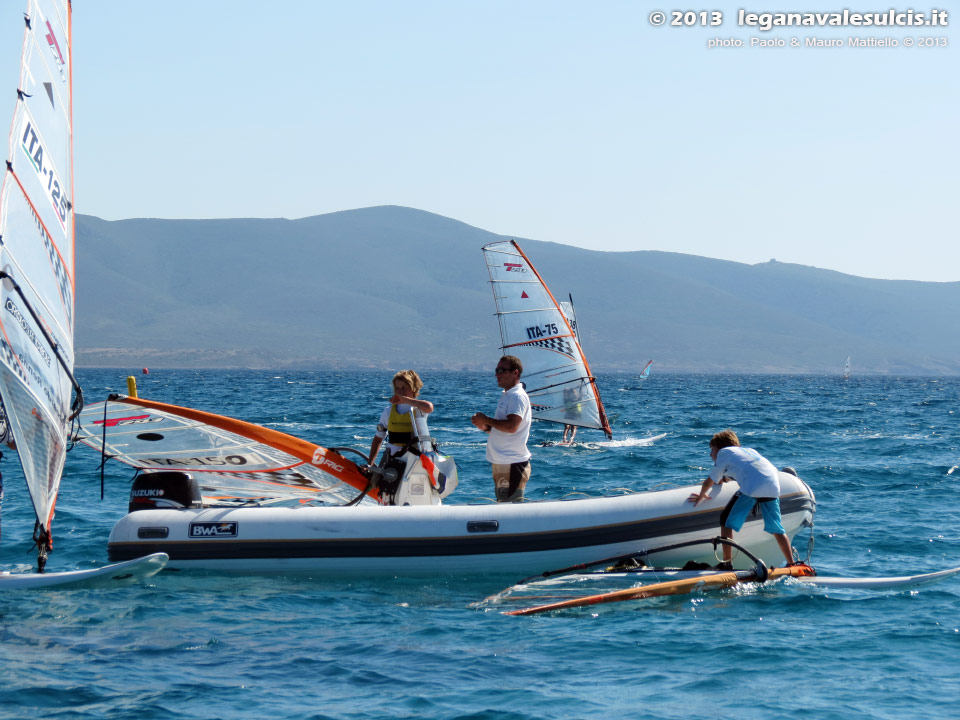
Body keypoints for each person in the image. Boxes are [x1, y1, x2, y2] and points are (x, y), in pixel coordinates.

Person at [687, 429, 795, 568]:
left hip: (753, 487)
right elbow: (742, 471)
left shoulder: (723, 453)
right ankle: (791, 563)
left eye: (712, 450)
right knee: (777, 528)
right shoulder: (748, 451)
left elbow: (709, 481)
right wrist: (723, 480)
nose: (711, 455)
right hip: (773, 486)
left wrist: (700, 497)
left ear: (720, 448)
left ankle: (727, 563)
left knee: (726, 521)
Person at [471, 355, 532, 502]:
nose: (497, 374)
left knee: (511, 510)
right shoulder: (507, 395)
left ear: (515, 373)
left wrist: (486, 419)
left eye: (501, 370)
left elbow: (512, 427)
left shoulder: (517, 396)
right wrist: (485, 427)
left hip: (512, 463)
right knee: (503, 504)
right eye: (496, 370)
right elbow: (504, 429)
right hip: (503, 462)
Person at [368, 370, 434, 504]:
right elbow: (378, 439)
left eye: (404, 388)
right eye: (397, 388)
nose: (400, 391)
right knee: (390, 494)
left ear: (414, 389)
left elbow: (429, 407)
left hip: (413, 460)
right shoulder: (388, 411)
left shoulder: (418, 409)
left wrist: (406, 400)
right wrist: (370, 463)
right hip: (393, 460)